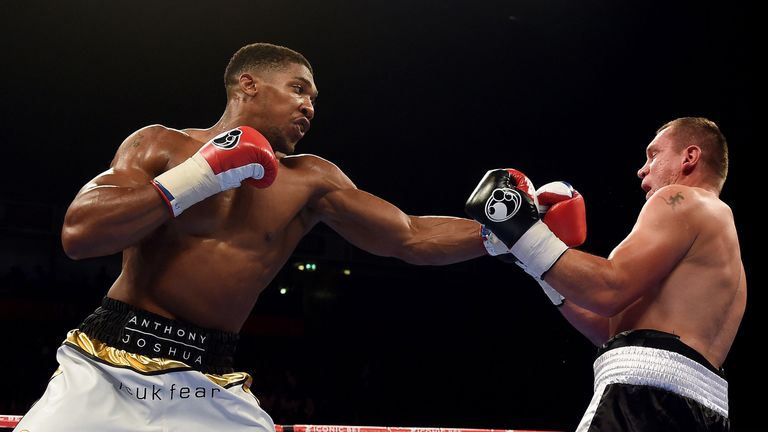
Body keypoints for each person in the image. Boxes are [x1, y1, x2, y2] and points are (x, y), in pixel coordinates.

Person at [14, 42, 490, 432]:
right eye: (299, 89)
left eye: (314, 99)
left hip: (209, 382)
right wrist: (197, 176)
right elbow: (79, 234)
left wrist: (513, 234)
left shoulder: (311, 181)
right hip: (106, 364)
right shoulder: (161, 144)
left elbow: (409, 235)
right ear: (249, 85)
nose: (308, 106)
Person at [465, 117, 745, 431]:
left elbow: (608, 289)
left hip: (643, 400)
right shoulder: (722, 246)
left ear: (689, 157)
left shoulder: (680, 200)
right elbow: (610, 329)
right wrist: (531, 260)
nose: (642, 168)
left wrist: (521, 231)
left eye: (653, 155)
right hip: (704, 414)